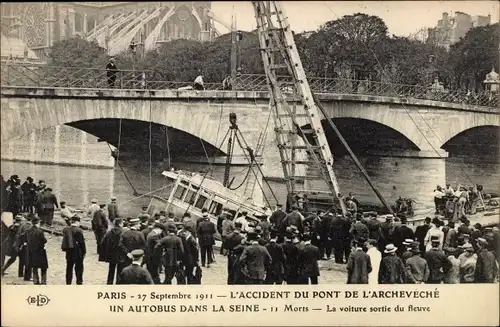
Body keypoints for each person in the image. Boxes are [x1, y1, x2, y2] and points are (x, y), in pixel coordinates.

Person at [61, 216, 86, 285]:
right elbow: (82, 243)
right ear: (77, 222)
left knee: (69, 267)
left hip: (69, 251)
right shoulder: (79, 230)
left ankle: (68, 282)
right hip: (78, 252)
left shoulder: (66, 229)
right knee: (79, 268)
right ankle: (79, 282)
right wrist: (84, 252)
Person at [25, 217, 48, 285]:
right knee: (44, 267)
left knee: (34, 266)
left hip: (31, 251)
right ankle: (43, 281)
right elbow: (44, 240)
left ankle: (36, 281)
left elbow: (26, 239)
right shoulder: (40, 231)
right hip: (40, 251)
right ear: (38, 223)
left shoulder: (28, 230)